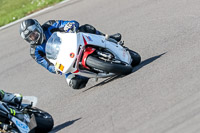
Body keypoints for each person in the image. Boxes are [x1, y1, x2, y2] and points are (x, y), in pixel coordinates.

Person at [19, 19, 122, 89]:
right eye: (30, 38)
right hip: (66, 61)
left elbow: (69, 23)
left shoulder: (49, 25)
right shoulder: (34, 52)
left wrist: (69, 26)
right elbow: (47, 65)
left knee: (85, 28)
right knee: (75, 83)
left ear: (38, 28)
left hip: (74, 45)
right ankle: (92, 70)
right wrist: (55, 68)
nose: (33, 38)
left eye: (34, 34)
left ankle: (107, 39)